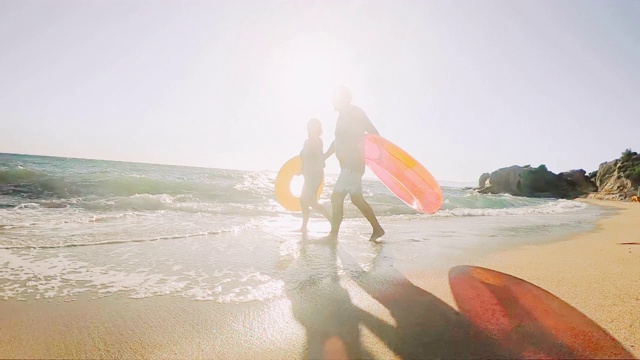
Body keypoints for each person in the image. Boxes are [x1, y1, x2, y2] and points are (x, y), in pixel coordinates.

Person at [324, 86, 385, 242]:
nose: (332, 101)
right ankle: (377, 229)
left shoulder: (354, 112)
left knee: (336, 197)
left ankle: (333, 235)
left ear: (342, 98)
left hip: (353, 165)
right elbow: (337, 141)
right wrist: (324, 157)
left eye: (334, 97)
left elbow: (373, 131)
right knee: (356, 199)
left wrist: (378, 154)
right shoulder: (343, 116)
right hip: (347, 167)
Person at [299, 118, 332, 232]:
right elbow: (304, 158)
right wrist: (301, 170)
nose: (310, 128)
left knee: (304, 199)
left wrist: (315, 167)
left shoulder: (318, 141)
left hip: (315, 175)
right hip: (307, 175)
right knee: (310, 201)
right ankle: (331, 221)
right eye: (309, 126)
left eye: (313, 126)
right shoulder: (306, 142)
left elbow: (320, 158)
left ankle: (305, 226)